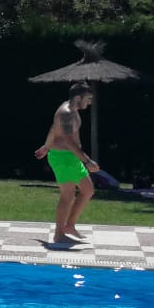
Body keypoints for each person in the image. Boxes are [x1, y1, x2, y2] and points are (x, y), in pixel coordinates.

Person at [33, 82, 98, 244]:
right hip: (62, 157)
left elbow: (53, 129)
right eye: (88, 98)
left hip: (71, 157)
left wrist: (46, 146)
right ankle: (59, 234)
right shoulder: (66, 113)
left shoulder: (72, 111)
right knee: (67, 196)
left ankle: (69, 226)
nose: (89, 102)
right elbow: (68, 141)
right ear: (78, 98)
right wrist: (87, 161)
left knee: (88, 190)